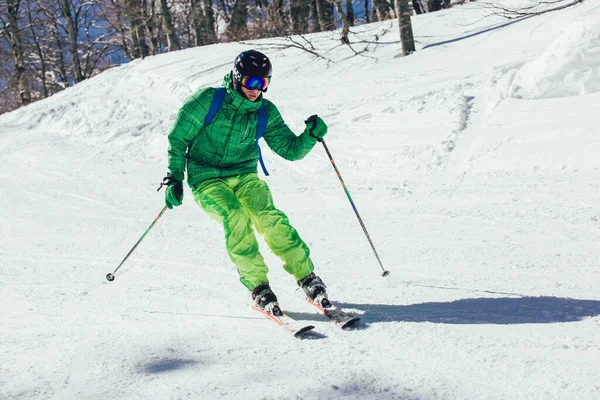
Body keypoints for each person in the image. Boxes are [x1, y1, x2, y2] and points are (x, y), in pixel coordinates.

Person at [162, 50, 330, 316]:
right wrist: (174, 177)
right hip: (206, 177)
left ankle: (307, 277)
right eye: (252, 82)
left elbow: (290, 150)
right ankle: (258, 286)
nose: (257, 90)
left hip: (244, 174)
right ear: (238, 77)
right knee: (235, 216)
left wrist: (309, 136)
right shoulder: (207, 101)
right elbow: (178, 139)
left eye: (263, 83)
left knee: (269, 218)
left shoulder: (265, 111)